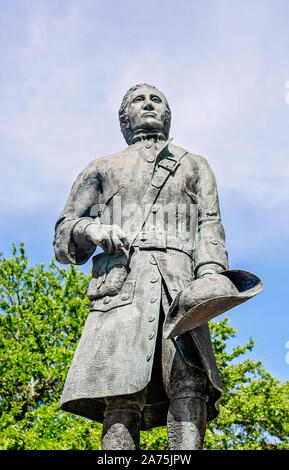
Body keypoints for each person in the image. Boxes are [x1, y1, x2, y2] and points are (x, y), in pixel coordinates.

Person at [53, 83, 230, 450]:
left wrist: (211, 276)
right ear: (125, 116)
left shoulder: (195, 164)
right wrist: (94, 229)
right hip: (120, 287)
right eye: (139, 99)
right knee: (118, 389)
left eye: (157, 99)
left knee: (189, 381)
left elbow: (209, 226)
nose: (148, 104)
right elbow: (64, 234)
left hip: (181, 286)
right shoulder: (101, 167)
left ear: (167, 114)